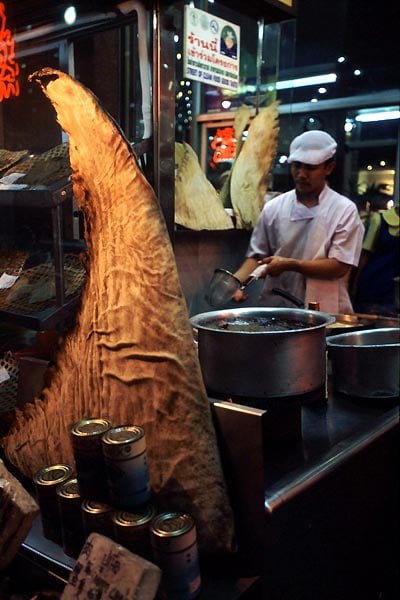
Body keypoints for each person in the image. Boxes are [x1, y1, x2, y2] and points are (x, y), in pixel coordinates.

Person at [232, 130, 364, 313]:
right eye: (296, 166)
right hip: (277, 306)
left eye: (310, 168)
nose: (301, 174)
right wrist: (237, 282)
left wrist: (291, 264)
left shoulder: (343, 210)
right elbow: (257, 257)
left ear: (329, 168)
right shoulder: (274, 207)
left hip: (325, 309)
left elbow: (339, 266)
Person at [351, 203, 399, 316]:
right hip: (373, 283)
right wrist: (354, 285)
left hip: (394, 289)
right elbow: (364, 255)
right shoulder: (379, 220)